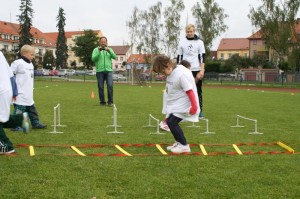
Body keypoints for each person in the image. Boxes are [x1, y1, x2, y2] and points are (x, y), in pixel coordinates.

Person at [152, 55, 200, 153]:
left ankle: (184, 145)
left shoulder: (180, 74)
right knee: (170, 121)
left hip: (186, 105)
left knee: (172, 122)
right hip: (178, 104)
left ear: (169, 65)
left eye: (163, 71)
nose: (163, 74)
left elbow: (190, 91)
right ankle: (178, 142)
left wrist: (194, 106)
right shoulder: (171, 73)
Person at [11, 44, 47, 130]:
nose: (33, 56)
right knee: (19, 111)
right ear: (24, 53)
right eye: (32, 54)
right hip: (20, 94)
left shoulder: (31, 64)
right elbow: (10, 75)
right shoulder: (17, 63)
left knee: (32, 110)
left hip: (29, 94)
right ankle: (16, 126)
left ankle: (36, 123)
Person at [0, 51, 29, 154]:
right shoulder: (1, 55)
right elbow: (10, 75)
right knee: (2, 118)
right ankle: (20, 119)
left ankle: (6, 147)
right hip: (6, 90)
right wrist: (14, 91)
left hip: (1, 91)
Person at [177, 24, 206, 118]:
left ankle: (199, 111)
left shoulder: (199, 42)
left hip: (196, 69)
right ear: (186, 32)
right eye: (188, 32)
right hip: (185, 70)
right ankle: (184, 110)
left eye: (191, 31)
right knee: (184, 90)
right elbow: (179, 57)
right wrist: (178, 69)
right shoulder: (182, 42)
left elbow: (202, 57)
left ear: (194, 31)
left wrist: (202, 70)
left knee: (197, 90)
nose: (190, 33)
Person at [159, 60, 191, 132]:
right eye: (188, 68)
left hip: (170, 95)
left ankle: (168, 122)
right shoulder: (179, 74)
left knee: (175, 112)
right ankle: (164, 123)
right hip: (170, 96)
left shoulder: (178, 73)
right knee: (172, 112)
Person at [92, 36, 117, 106]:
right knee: (100, 87)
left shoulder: (110, 49)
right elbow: (93, 59)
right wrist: (99, 52)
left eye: (104, 42)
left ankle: (110, 102)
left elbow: (115, 57)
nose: (103, 43)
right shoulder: (96, 50)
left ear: (106, 42)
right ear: (99, 42)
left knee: (110, 85)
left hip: (109, 71)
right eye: (102, 42)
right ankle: (102, 102)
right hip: (100, 71)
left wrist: (109, 51)